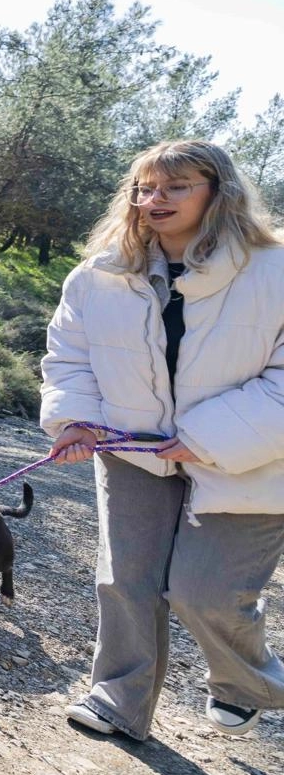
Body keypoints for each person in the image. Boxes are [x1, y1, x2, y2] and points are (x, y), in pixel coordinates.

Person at [42, 139, 284, 740]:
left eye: (176, 187)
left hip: (251, 461)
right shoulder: (97, 274)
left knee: (206, 594)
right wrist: (75, 420)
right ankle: (117, 700)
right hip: (132, 452)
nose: (155, 200)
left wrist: (208, 437)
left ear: (218, 192)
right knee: (126, 583)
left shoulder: (275, 270)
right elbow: (69, 356)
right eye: (145, 187)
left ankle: (246, 686)